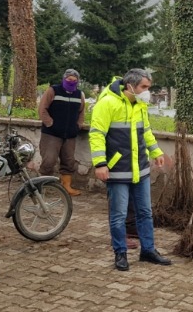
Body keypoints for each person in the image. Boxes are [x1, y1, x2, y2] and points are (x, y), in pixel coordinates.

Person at [90, 68, 172, 272]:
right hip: (118, 170)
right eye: (144, 87)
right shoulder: (107, 103)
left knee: (145, 212)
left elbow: (146, 132)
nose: (147, 92)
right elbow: (97, 134)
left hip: (140, 170)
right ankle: (120, 253)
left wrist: (156, 152)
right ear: (130, 86)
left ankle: (148, 250)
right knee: (118, 215)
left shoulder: (140, 105)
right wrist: (100, 163)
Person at [37, 68, 87, 196]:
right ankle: (44, 186)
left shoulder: (79, 95)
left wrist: (78, 125)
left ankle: (66, 187)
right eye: (69, 79)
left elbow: (81, 112)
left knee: (69, 161)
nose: (72, 82)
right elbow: (42, 109)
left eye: (75, 80)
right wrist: (50, 123)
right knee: (49, 160)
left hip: (70, 135)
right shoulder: (53, 91)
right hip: (51, 134)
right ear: (64, 79)